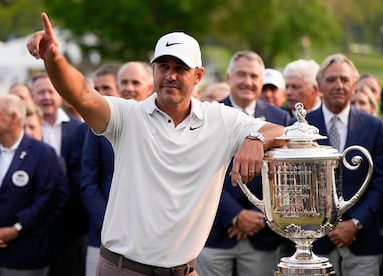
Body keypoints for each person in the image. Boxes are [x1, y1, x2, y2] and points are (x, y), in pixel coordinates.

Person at [26, 12, 285, 276]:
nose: (170, 75)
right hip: (124, 268)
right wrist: (54, 59)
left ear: (198, 76)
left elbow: (283, 131)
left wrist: (257, 137)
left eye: (180, 68)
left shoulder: (219, 119)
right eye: (163, 66)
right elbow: (81, 94)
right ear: (153, 70)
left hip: (183, 270)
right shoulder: (129, 116)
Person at [197, 51, 290, 276]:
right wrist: (236, 214)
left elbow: (283, 178)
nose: (247, 82)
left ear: (261, 81)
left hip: (262, 233)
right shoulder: (206, 116)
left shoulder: (281, 120)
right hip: (215, 231)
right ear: (228, 78)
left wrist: (255, 216)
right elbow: (200, 173)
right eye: (241, 74)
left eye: (254, 76)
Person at [305, 54, 383, 276]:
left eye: (344, 79)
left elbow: (380, 182)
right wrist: (321, 226)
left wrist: (356, 223)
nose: (338, 85)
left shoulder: (375, 127)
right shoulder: (300, 126)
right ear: (319, 85)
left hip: (362, 241)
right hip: (314, 243)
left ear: (354, 85)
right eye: (331, 80)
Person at [0, 94, 62, 276]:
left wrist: (16, 229)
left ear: (12, 118)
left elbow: (46, 200)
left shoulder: (43, 154)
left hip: (23, 258)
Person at [31, 73, 87, 276]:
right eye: (41, 92)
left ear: (60, 94)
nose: (46, 97)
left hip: (70, 224)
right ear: (32, 96)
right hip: (33, 224)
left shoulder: (78, 128)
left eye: (51, 91)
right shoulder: (26, 128)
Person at [80, 62, 122, 276]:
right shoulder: (94, 128)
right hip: (102, 233)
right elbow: (87, 179)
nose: (101, 93)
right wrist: (106, 221)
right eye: (96, 89)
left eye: (106, 88)